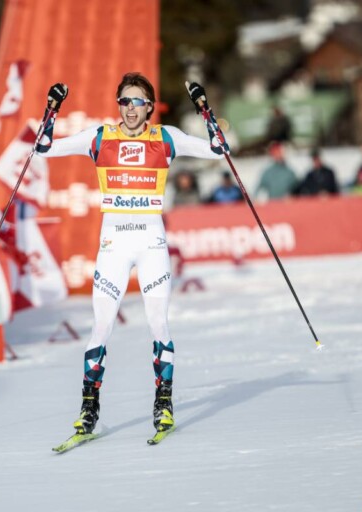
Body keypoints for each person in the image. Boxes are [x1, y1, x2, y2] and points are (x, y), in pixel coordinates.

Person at [36, 73, 227, 441]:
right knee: (101, 327)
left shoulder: (166, 137)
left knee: (158, 323)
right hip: (114, 245)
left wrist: (204, 109)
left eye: (137, 102)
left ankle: (163, 403)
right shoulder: (100, 137)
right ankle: (88, 411)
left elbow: (220, 149)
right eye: (124, 101)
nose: (130, 109)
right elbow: (43, 148)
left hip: (151, 243)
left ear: (150, 107)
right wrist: (51, 109)